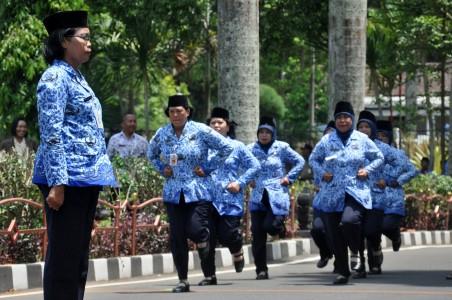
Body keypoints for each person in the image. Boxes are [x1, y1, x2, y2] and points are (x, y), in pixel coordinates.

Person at [32, 11, 116, 300]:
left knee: (78, 260)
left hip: (85, 178)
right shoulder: (54, 77)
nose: (90, 43)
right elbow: (51, 132)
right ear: (65, 41)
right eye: (85, 37)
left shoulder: (77, 78)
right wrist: (57, 183)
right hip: (66, 179)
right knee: (64, 260)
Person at [147, 95, 233, 293]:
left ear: (188, 111)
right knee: (177, 237)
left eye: (179, 111)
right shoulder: (162, 133)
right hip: (173, 191)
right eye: (172, 111)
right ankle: (183, 280)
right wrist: (162, 168)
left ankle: (204, 240)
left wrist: (208, 167)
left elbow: (226, 148)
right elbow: (150, 154)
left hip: (198, 190)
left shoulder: (201, 130)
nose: (175, 115)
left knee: (195, 228)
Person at [309, 101, 383, 285]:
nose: (343, 121)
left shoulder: (362, 139)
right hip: (331, 192)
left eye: (346, 117)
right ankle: (343, 272)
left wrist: (367, 170)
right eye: (339, 117)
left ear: (352, 119)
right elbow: (313, 159)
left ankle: (355, 250)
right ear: (335, 120)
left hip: (355, 190)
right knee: (334, 234)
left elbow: (378, 157)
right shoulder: (327, 140)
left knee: (350, 221)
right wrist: (322, 173)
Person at [198, 107, 261, 286]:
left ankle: (237, 249)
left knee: (228, 235)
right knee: (206, 237)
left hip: (229, 200)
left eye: (220, 123)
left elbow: (255, 166)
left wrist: (240, 183)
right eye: (213, 123)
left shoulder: (237, 147)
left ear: (227, 126)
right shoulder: (202, 147)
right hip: (205, 198)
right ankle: (209, 276)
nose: (216, 126)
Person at [248, 116, 304, 280]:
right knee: (257, 234)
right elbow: (237, 163)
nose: (264, 135)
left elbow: (299, 161)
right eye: (261, 132)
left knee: (270, 227)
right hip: (258, 196)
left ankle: (280, 226)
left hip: (277, 194)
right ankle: (261, 270)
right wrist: (247, 178)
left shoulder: (282, 147)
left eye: (267, 132)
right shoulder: (250, 148)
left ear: (273, 134)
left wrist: (289, 177)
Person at [354, 111, 405, 278]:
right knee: (357, 232)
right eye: (360, 126)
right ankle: (361, 266)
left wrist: (388, 180)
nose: (363, 129)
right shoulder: (350, 145)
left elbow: (401, 164)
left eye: (367, 126)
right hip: (355, 195)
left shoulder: (382, 147)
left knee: (371, 231)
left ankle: (375, 255)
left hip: (376, 197)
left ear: (372, 129)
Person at [375, 120, 417, 272]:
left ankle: (395, 236)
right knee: (372, 231)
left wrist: (398, 180)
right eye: (378, 134)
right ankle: (375, 261)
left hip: (393, 199)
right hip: (374, 198)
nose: (380, 138)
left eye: (384, 135)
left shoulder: (398, 154)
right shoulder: (369, 152)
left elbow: (412, 170)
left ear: (390, 137)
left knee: (386, 226)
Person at [310, 120, 336, 270]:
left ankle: (340, 262)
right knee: (317, 229)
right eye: (326, 135)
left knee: (337, 232)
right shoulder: (317, 157)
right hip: (321, 201)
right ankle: (325, 252)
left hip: (340, 200)